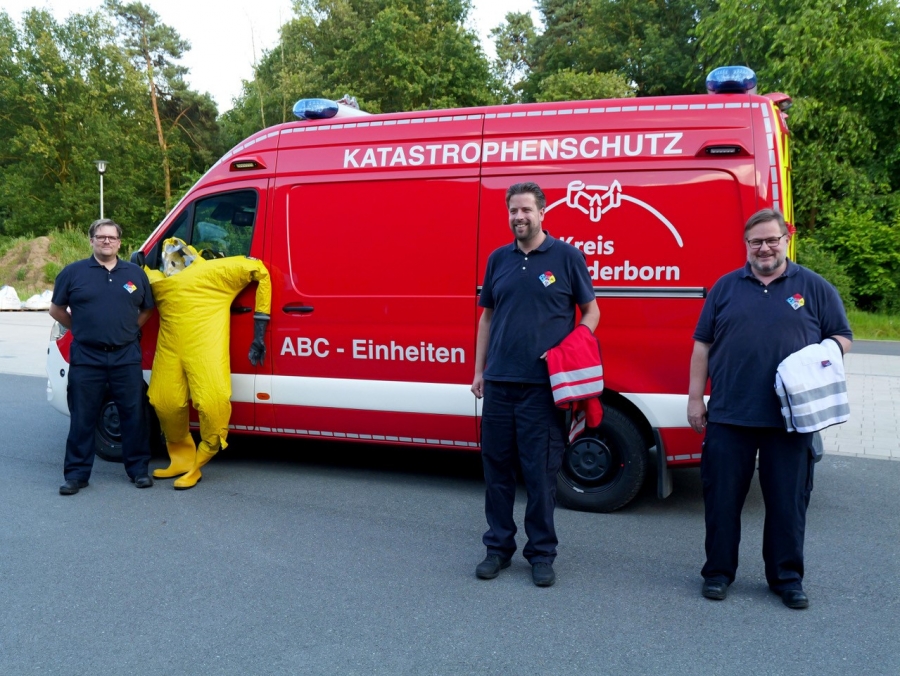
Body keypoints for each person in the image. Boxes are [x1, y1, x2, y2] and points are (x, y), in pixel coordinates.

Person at [687, 208, 852, 609]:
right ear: (746, 246)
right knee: (722, 500)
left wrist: (815, 359)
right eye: (756, 241)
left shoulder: (814, 287)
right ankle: (718, 573)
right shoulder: (726, 288)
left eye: (771, 239)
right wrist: (695, 398)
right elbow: (702, 345)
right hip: (729, 414)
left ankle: (786, 579)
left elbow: (842, 338)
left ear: (785, 240)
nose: (764, 247)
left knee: (787, 503)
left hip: (791, 420)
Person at [471, 182, 600, 587]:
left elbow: (591, 312)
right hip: (499, 384)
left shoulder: (566, 257)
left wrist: (568, 350)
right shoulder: (498, 260)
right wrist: (479, 371)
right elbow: (487, 318)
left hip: (543, 389)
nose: (519, 217)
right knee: (496, 471)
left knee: (541, 474)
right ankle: (498, 548)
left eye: (526, 209)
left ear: (542, 212)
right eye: (513, 210)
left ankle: (541, 553)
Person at [146, 238, 271, 490]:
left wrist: (260, 327)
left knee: (213, 401)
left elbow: (260, 271)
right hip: (170, 350)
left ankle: (199, 463)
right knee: (163, 400)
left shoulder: (214, 273)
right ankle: (180, 458)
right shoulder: (157, 280)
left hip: (204, 350)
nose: (173, 258)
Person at [49, 219, 155, 495]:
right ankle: (76, 475)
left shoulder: (134, 274)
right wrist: (82, 330)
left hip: (125, 357)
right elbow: (56, 310)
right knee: (83, 417)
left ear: (120, 242)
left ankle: (138, 470)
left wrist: (129, 330)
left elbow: (147, 309)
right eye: (101, 236)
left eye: (111, 237)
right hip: (87, 357)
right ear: (92, 240)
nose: (106, 241)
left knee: (133, 414)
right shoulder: (73, 273)